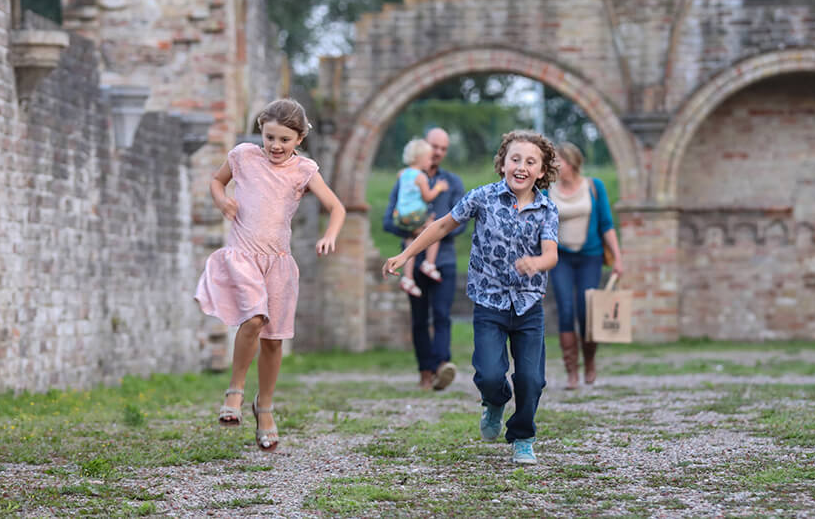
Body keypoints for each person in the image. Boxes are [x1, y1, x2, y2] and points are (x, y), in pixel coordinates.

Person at [383, 130, 559, 465]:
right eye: (515, 159)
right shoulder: (483, 197)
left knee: (532, 378)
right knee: (490, 375)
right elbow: (440, 226)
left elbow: (551, 254)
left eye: (530, 162)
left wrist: (536, 262)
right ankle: (495, 402)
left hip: (528, 305)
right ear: (503, 164)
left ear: (541, 170)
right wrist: (406, 255)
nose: (521, 166)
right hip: (489, 301)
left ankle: (522, 436)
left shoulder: (547, 208)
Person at [194, 99, 346, 452]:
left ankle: (264, 407)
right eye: (270, 137)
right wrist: (222, 201)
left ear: (300, 138)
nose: (276, 146)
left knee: (274, 339)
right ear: (261, 130)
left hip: (278, 263)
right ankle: (234, 391)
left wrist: (330, 235)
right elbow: (217, 182)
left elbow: (336, 207)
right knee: (254, 319)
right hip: (244, 256)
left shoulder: (303, 171)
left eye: (285, 139)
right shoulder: (244, 156)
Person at [382, 128, 465, 391]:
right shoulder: (405, 178)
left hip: (445, 260)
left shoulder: (452, 182)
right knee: (419, 320)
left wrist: (439, 229)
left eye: (443, 148)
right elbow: (388, 220)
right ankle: (425, 372)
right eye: (434, 146)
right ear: (423, 147)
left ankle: (442, 365)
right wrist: (414, 231)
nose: (438, 152)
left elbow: (462, 221)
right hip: (413, 261)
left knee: (442, 314)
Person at [546, 142, 624, 389]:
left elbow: (606, 225)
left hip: (590, 256)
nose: (555, 165)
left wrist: (618, 258)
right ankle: (571, 372)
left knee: (587, 310)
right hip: (561, 258)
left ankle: (589, 359)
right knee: (566, 309)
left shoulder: (594, 187)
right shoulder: (548, 190)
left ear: (573, 163)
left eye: (560, 161)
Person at [391, 138, 449, 297]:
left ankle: (407, 279)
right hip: (415, 215)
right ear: (421, 159)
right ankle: (429, 264)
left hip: (401, 217)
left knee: (410, 245)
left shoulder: (402, 174)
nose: (431, 161)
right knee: (434, 230)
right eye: (429, 158)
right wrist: (438, 187)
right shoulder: (420, 177)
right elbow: (428, 197)